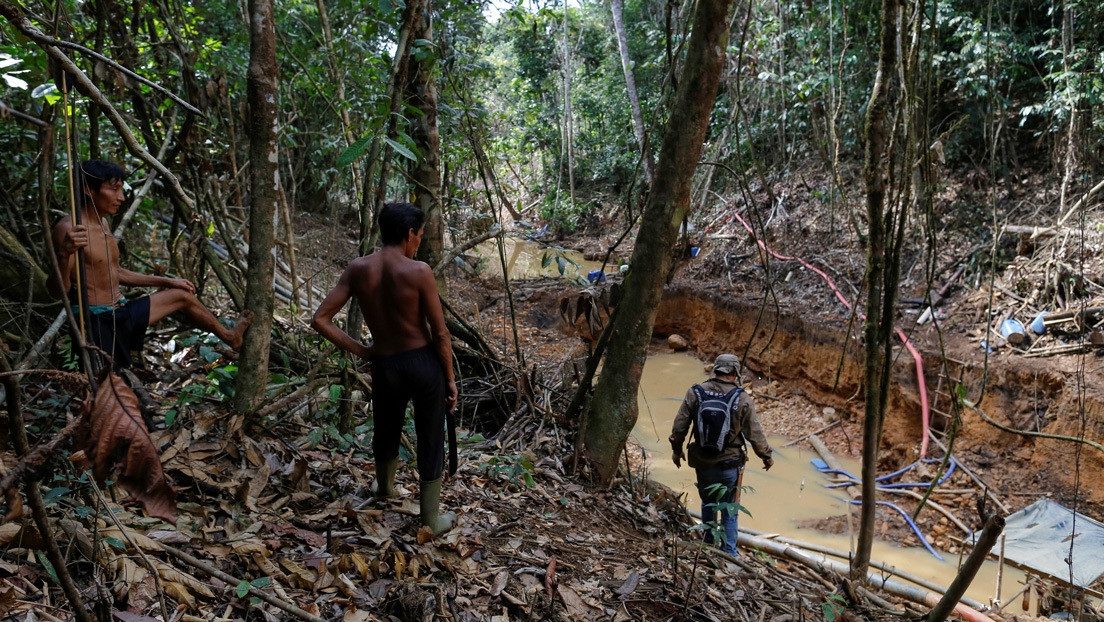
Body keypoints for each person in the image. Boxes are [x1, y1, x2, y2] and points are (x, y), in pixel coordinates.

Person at [311, 202, 457, 536]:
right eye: (419, 235)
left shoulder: (358, 268)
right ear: (410, 234)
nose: (419, 242)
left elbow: (320, 319)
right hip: (421, 362)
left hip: (385, 364)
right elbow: (441, 333)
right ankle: (430, 521)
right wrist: (449, 378)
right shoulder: (418, 271)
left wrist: (363, 351)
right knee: (430, 436)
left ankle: (385, 489)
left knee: (386, 428)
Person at [48, 160, 253, 369]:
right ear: (89, 190)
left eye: (121, 190)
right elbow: (58, 293)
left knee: (182, 295)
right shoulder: (69, 229)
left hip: (122, 311)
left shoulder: (103, 222)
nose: (121, 197)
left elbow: (115, 271)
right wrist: (64, 254)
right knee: (108, 389)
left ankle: (230, 336)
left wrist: (167, 281)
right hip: (98, 323)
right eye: (114, 190)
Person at [670, 353, 774, 556]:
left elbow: (679, 426)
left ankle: (708, 546)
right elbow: (755, 433)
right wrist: (766, 456)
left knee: (708, 502)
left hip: (702, 462)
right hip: (730, 465)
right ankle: (730, 555)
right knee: (730, 510)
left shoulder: (696, 393)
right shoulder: (742, 398)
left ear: (715, 369)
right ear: (735, 373)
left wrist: (676, 451)